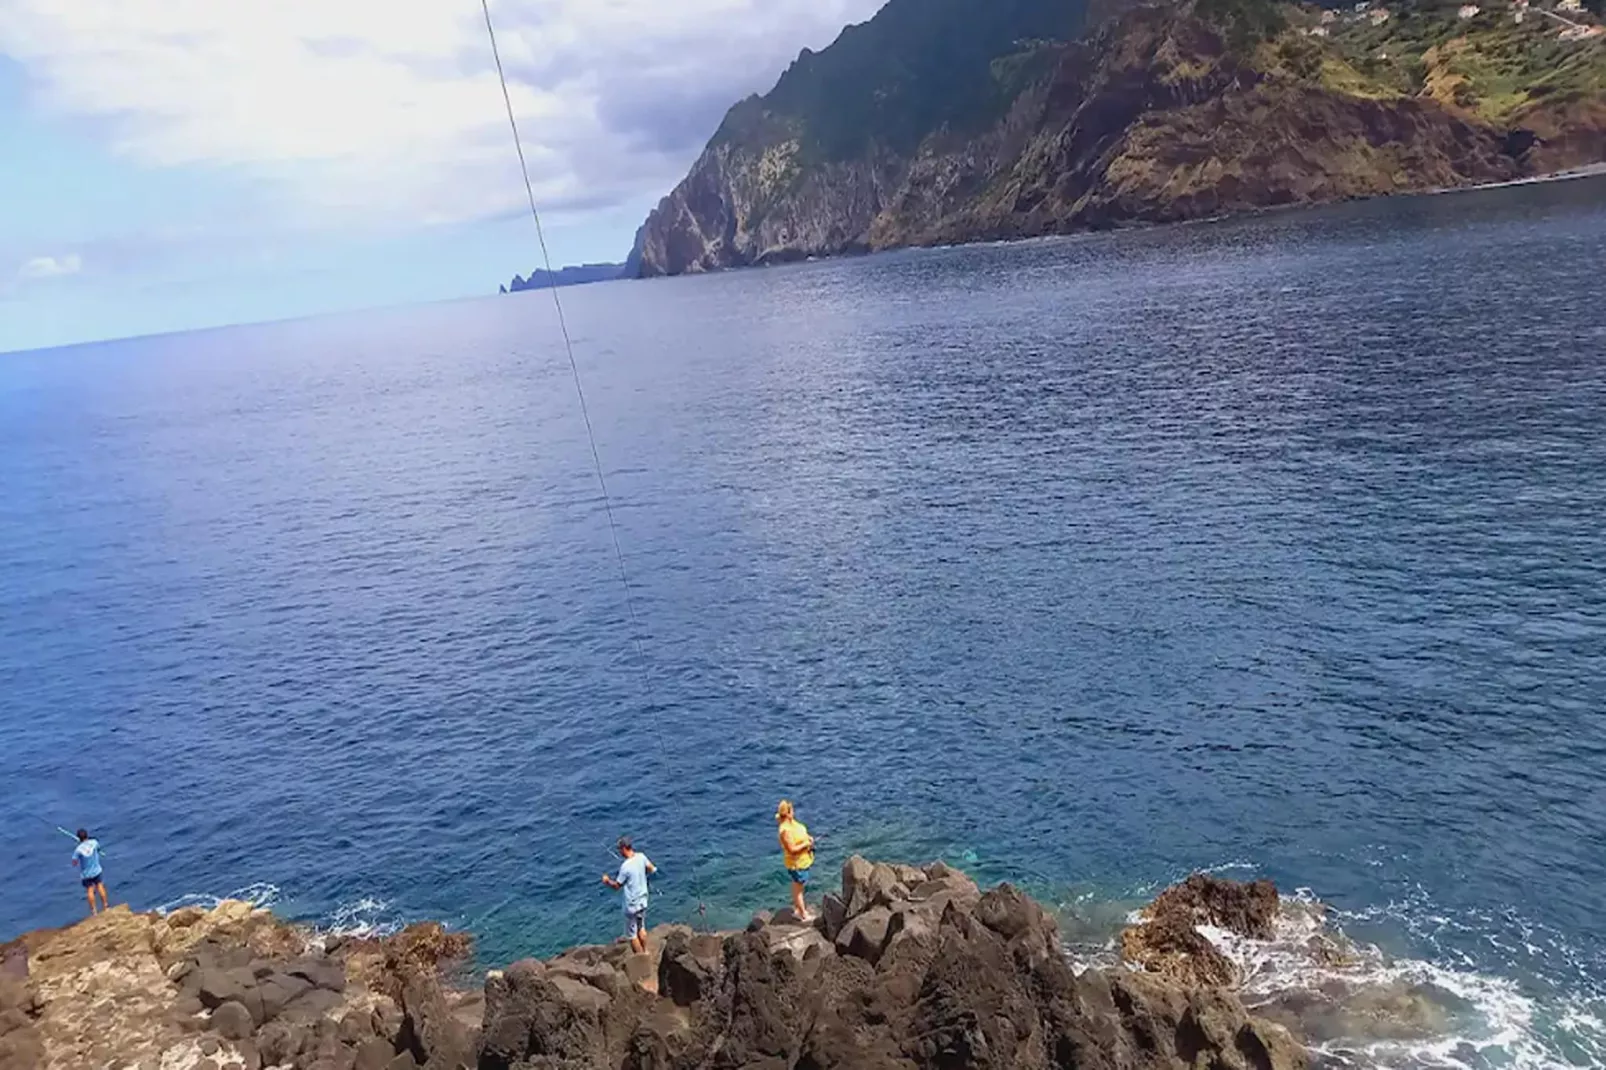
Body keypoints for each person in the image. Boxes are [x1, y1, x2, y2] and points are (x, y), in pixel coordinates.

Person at [601, 836, 656, 954]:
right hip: (643, 901)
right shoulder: (641, 857)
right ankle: (646, 951)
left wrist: (607, 881)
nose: (619, 852)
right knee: (641, 927)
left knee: (632, 935)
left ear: (624, 848)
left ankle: (641, 958)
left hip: (632, 905)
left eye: (620, 849)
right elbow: (652, 869)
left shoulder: (625, 867)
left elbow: (616, 886)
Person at [775, 800, 815, 922]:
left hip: (803, 860)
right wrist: (805, 844)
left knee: (799, 885)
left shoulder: (791, 823)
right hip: (796, 864)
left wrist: (808, 838)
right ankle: (802, 914)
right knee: (798, 888)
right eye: (792, 810)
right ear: (787, 814)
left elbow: (800, 832)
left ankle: (799, 908)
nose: (794, 812)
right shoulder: (785, 831)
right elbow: (791, 849)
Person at [71, 829, 109, 915]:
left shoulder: (78, 850)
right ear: (87, 835)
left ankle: (94, 911)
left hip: (86, 874)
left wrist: (80, 846)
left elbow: (74, 862)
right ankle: (105, 906)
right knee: (100, 886)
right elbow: (99, 849)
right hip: (97, 871)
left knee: (90, 890)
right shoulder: (94, 842)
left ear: (79, 838)